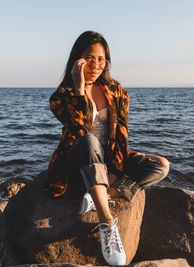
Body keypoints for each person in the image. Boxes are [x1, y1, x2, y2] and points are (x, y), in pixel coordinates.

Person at [45, 31, 170, 266]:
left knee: (161, 165)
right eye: (89, 58)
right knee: (90, 141)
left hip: (109, 160)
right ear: (77, 60)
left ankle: (102, 191)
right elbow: (80, 130)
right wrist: (80, 88)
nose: (96, 64)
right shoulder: (61, 96)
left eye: (101, 59)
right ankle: (106, 222)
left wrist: (129, 161)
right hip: (77, 162)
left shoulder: (116, 91)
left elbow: (121, 134)